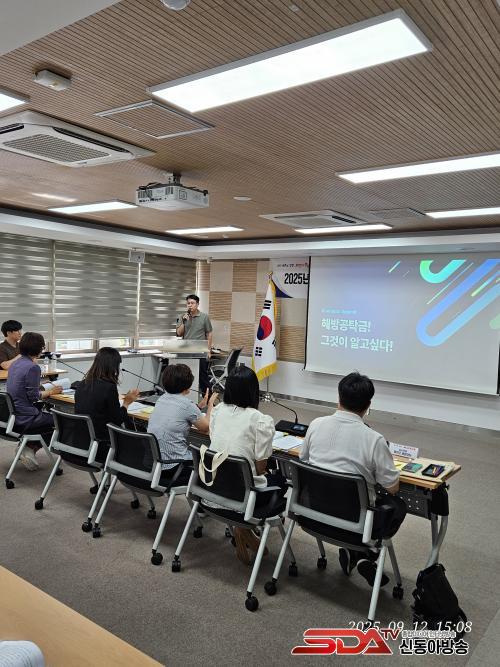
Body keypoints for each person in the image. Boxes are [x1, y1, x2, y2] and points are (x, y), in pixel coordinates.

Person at [300, 371, 407, 587]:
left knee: (338, 492)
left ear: (338, 398)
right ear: (368, 406)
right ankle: (368, 552)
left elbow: (304, 460)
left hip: (313, 514)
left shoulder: (316, 424)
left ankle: (356, 555)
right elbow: (392, 487)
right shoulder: (374, 440)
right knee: (398, 505)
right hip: (356, 523)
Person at [209, 366, 287, 565]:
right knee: (281, 481)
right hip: (244, 496)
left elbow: (216, 443)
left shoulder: (218, 411)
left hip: (213, 488)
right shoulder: (260, 420)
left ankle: (243, 529)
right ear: (253, 391)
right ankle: (244, 526)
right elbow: (260, 468)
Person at [148, 363, 217, 487]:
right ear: (187, 385)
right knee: (212, 463)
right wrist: (210, 405)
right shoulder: (187, 404)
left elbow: (179, 412)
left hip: (155, 464)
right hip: (175, 467)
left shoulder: (161, 399)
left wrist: (198, 407)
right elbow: (206, 428)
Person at [5, 332, 62, 470]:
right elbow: (34, 397)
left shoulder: (16, 363)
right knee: (60, 421)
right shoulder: (33, 367)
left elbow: (22, 387)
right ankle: (30, 447)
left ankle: (28, 447)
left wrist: (39, 385)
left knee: (51, 419)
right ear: (39, 348)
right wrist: (51, 392)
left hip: (11, 415)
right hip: (25, 417)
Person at [75, 347, 140, 462]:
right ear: (113, 366)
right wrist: (126, 403)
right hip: (101, 446)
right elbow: (117, 420)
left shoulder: (81, 384)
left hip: (80, 443)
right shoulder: (109, 388)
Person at [175, 294, 213, 395]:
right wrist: (184, 322)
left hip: (200, 351)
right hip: (185, 351)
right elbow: (179, 333)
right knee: (184, 375)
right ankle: (186, 396)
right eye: (188, 303)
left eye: (192, 303)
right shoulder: (183, 317)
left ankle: (209, 398)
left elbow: (209, 333)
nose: (190, 305)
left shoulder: (204, 317)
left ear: (197, 304)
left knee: (202, 376)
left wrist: (208, 350)